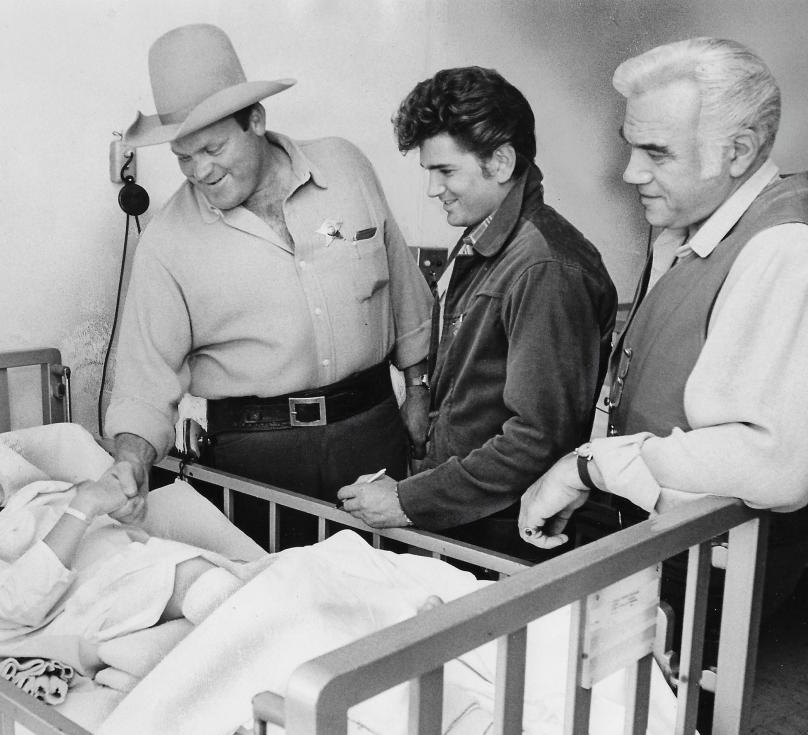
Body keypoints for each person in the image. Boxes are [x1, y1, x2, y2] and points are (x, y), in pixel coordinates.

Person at [518, 35, 808, 696]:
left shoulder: (782, 249)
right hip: (656, 539)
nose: (629, 173)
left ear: (738, 151)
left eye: (655, 152)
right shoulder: (690, 224)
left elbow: (773, 462)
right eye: (631, 144)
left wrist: (591, 465)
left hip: (717, 564)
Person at [104, 24, 432, 535]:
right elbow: (143, 385)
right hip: (257, 459)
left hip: (373, 432)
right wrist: (130, 461)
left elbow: (406, 294)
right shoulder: (167, 243)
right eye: (183, 157)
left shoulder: (346, 167)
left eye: (212, 149)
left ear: (255, 119)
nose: (199, 171)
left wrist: (418, 390)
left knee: (391, 596)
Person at [337, 67, 617, 560]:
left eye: (445, 171)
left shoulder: (545, 266)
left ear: (501, 161)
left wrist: (409, 500)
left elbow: (538, 438)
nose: (432, 189)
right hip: (467, 512)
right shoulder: (486, 237)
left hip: (501, 531)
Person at [0, 424, 250, 670]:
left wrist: (122, 508)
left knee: (256, 586)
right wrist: (82, 508)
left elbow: (109, 527)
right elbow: (14, 602)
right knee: (207, 583)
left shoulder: (34, 498)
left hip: (139, 582)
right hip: (95, 608)